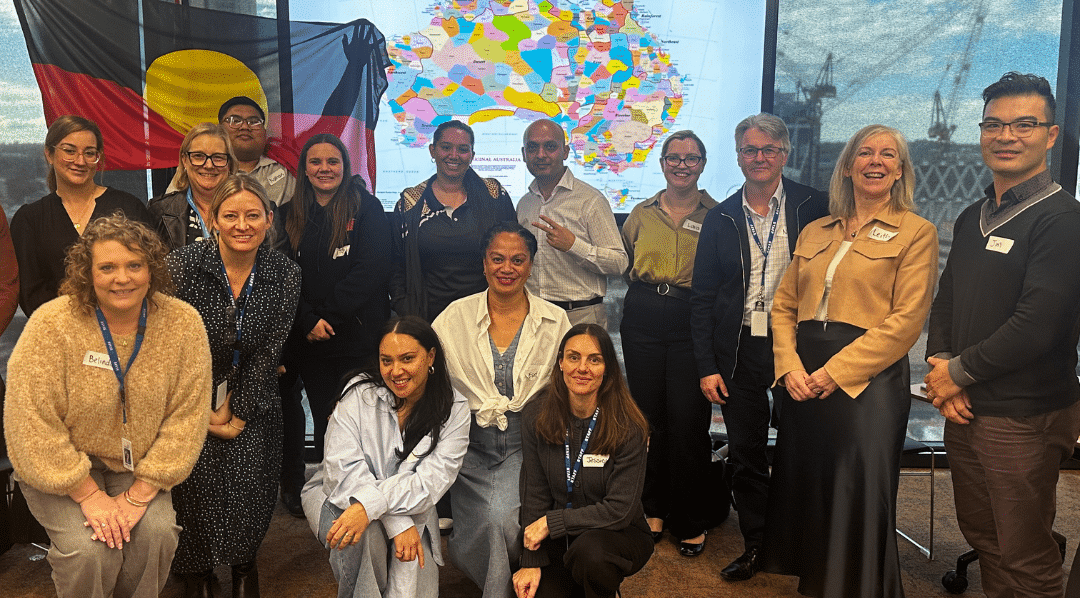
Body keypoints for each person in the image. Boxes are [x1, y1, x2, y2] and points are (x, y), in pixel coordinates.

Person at [763, 124, 937, 598]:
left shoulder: (917, 232)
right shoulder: (816, 230)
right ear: (847, 167)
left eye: (887, 155)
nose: (875, 161)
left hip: (867, 383)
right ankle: (819, 583)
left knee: (855, 490)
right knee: (813, 485)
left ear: (900, 170)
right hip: (803, 377)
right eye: (864, 153)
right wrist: (789, 367)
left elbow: (905, 322)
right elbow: (783, 306)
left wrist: (835, 373)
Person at [923, 73, 1080, 598]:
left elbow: (1038, 325)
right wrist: (943, 365)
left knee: (1024, 551)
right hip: (966, 406)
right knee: (985, 536)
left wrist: (956, 374)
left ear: (1051, 136)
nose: (1006, 136)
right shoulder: (974, 216)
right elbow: (946, 301)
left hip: (1022, 415)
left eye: (1023, 125)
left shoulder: (1063, 220)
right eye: (993, 125)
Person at [3, 214, 211, 598]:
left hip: (137, 464)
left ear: (152, 269)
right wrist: (89, 495)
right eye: (107, 267)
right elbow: (30, 424)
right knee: (90, 552)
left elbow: (186, 420)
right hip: (58, 466)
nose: (122, 278)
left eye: (135, 265)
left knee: (157, 534)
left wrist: (138, 496)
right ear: (87, 272)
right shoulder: (51, 325)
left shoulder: (183, 324)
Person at [689, 113, 829, 581]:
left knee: (800, 449)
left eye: (769, 149)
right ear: (738, 157)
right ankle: (757, 544)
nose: (759, 158)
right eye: (750, 150)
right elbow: (703, 298)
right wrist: (707, 365)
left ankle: (801, 543)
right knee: (746, 453)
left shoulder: (815, 205)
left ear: (785, 154)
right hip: (740, 350)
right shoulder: (720, 217)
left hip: (800, 348)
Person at [167, 174, 301, 598]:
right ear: (213, 219)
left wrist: (237, 412)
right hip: (190, 392)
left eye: (252, 215)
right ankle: (198, 571)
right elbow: (169, 344)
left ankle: (244, 567)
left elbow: (271, 349)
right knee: (195, 491)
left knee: (250, 489)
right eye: (230, 216)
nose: (242, 225)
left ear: (269, 219)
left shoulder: (285, 273)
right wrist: (201, 410)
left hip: (254, 391)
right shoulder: (182, 265)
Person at [432, 222, 571, 597]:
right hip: (467, 447)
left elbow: (569, 386)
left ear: (530, 266)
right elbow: (429, 378)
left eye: (517, 260)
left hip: (527, 446)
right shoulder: (454, 317)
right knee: (482, 524)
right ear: (484, 263)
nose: (507, 268)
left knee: (501, 520)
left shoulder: (555, 320)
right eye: (497, 259)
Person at [301, 316, 470, 598]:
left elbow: (429, 484)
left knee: (407, 568)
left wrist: (372, 507)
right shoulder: (359, 393)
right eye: (386, 360)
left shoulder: (455, 409)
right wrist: (397, 523)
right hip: (337, 495)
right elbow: (341, 471)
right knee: (364, 535)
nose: (396, 371)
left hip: (413, 507)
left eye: (407, 358)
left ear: (430, 356)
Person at [275, 133, 392, 514]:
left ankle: (369, 497)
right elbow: (282, 275)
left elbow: (371, 268)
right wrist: (309, 319)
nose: (324, 169)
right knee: (326, 421)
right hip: (311, 340)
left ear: (345, 166)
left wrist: (329, 315)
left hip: (358, 336)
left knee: (363, 420)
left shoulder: (367, 208)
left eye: (332, 161)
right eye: (316, 162)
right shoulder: (287, 214)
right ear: (304, 169)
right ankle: (332, 500)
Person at [620, 130, 717, 556]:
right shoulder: (640, 214)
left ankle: (690, 516)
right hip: (642, 316)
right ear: (662, 163)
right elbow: (625, 259)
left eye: (691, 158)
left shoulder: (717, 215)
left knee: (688, 420)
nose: (682, 165)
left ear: (703, 164)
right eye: (673, 157)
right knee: (648, 418)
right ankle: (653, 506)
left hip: (691, 318)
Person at [513, 324, 653, 598]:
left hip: (617, 536)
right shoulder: (536, 415)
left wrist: (552, 523)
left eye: (595, 360)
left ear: (607, 368)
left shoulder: (629, 425)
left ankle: (602, 589)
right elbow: (535, 491)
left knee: (591, 554)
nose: (582, 368)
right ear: (560, 363)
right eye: (574, 357)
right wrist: (531, 560)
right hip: (560, 539)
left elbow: (620, 509)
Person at [11, 115, 153, 317]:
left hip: (124, 326)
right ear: (49, 154)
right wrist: (76, 325)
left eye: (89, 153)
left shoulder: (129, 208)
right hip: (58, 330)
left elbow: (150, 275)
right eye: (69, 151)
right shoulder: (29, 220)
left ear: (98, 157)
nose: (80, 161)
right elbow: (29, 294)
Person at [391, 120, 516, 322]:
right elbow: (396, 265)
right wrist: (406, 310)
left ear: (472, 155)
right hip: (428, 318)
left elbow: (515, 251)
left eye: (463, 149)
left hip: (488, 316)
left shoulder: (494, 195)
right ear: (432, 151)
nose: (454, 155)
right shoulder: (410, 203)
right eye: (446, 147)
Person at [516, 119, 627, 327]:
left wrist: (574, 246)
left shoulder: (591, 200)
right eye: (532, 148)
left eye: (550, 146)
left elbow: (619, 263)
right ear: (524, 154)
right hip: (534, 314)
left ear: (565, 152)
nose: (540, 154)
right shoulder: (525, 204)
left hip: (580, 316)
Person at [148, 122, 238, 251]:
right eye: (198, 156)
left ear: (229, 163)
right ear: (184, 160)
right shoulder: (158, 211)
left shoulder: (254, 208)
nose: (208, 165)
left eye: (218, 157)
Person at [218, 96, 296, 207]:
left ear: (265, 131)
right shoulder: (207, 171)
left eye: (254, 122)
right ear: (219, 130)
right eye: (235, 121)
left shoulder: (288, 166)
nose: (245, 127)